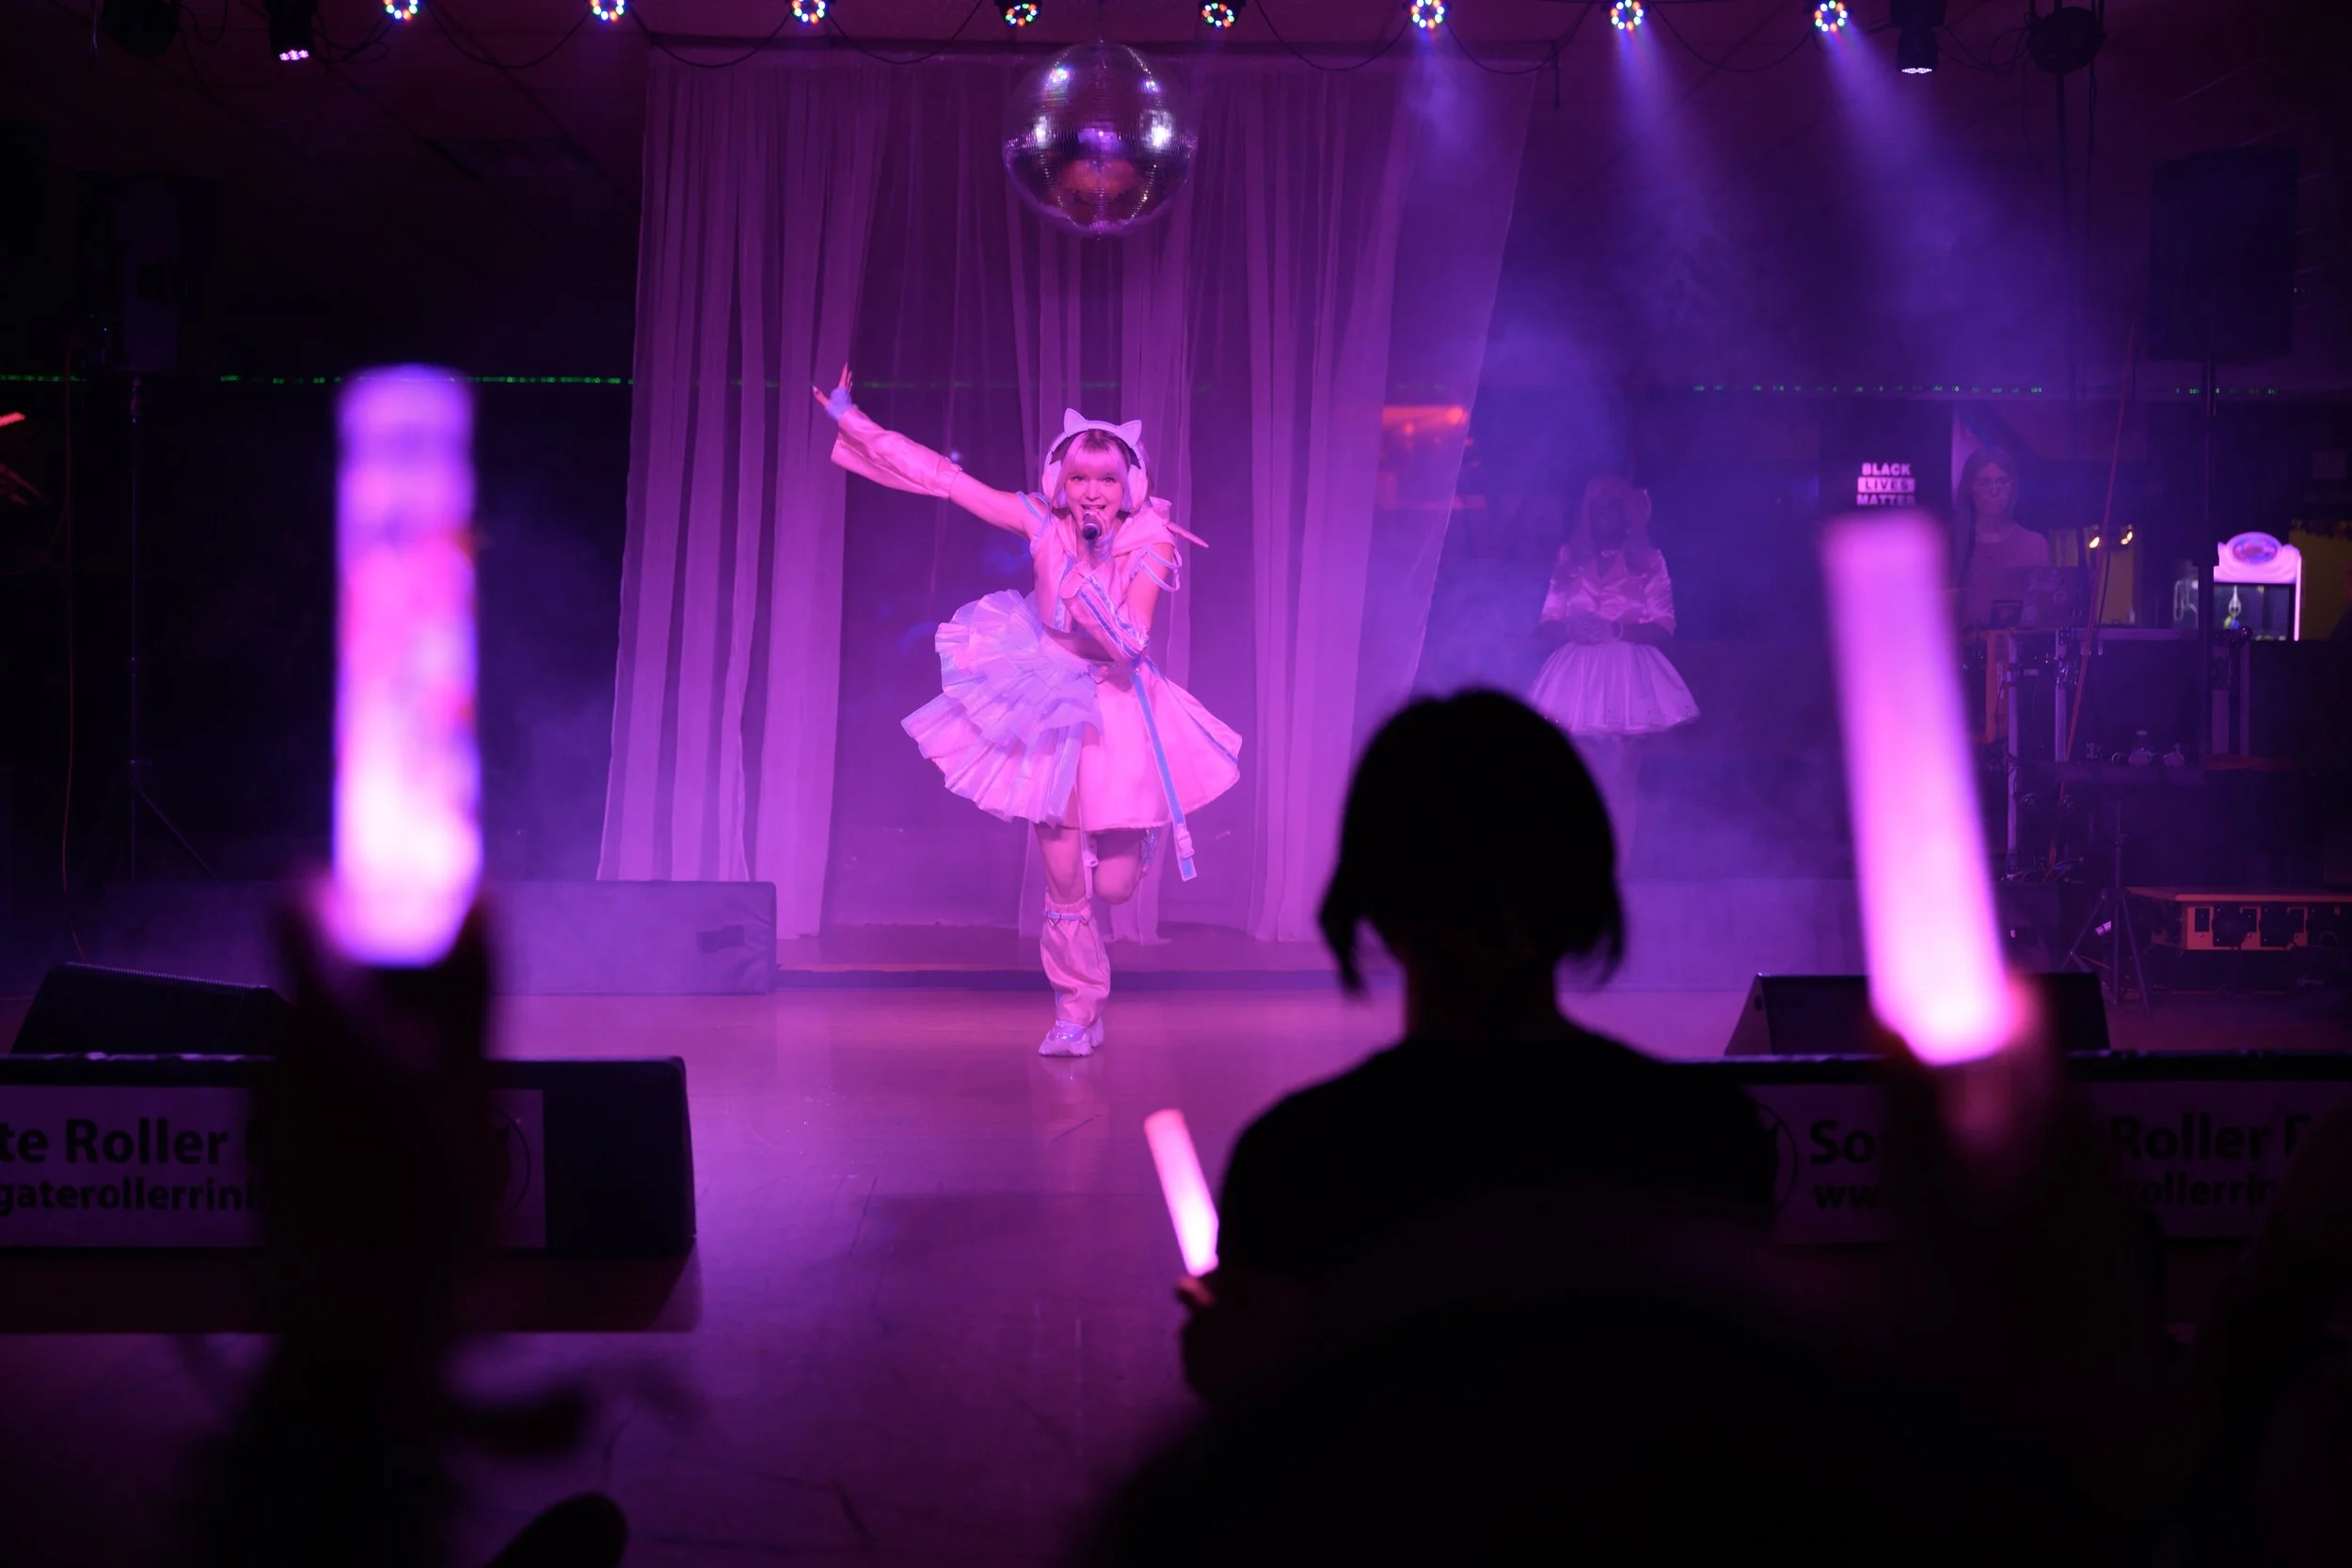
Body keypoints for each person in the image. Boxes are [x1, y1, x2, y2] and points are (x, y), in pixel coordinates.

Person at [1175, 691, 1775, 1408]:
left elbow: (1268, 1431)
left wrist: (1232, 1357)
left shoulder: (1303, 1156)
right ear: (1579, 883)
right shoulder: (1703, 1135)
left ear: (1375, 902)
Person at [817, 370, 1242, 1057]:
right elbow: (946, 481)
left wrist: (1085, 579)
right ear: (1061, 482)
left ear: (1128, 485)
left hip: (1115, 700)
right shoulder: (1041, 521)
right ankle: (1077, 1007)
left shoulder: (1150, 540)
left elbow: (1129, 637)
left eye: (1105, 480)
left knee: (1114, 887)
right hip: (1045, 690)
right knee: (1065, 877)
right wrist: (854, 421)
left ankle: (1137, 839)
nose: (1092, 493)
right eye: (1080, 479)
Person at [1526, 476, 1697, 853]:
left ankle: (1617, 871)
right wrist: (1572, 627)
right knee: (1578, 778)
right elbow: (1547, 622)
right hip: (1575, 681)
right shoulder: (1569, 560)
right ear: (1588, 515)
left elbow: (1664, 626)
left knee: (1620, 779)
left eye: (1613, 510)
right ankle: (1582, 863)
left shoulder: (1649, 561)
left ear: (1628, 517)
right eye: (1597, 509)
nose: (1604, 517)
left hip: (1627, 679)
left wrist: (1616, 628)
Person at [1954, 445, 2051, 627]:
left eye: (2002, 481)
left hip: (2023, 652)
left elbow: (2045, 614)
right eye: (1985, 483)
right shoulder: (1953, 545)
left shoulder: (2035, 544)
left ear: (2012, 486)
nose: (1994, 491)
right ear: (1970, 488)